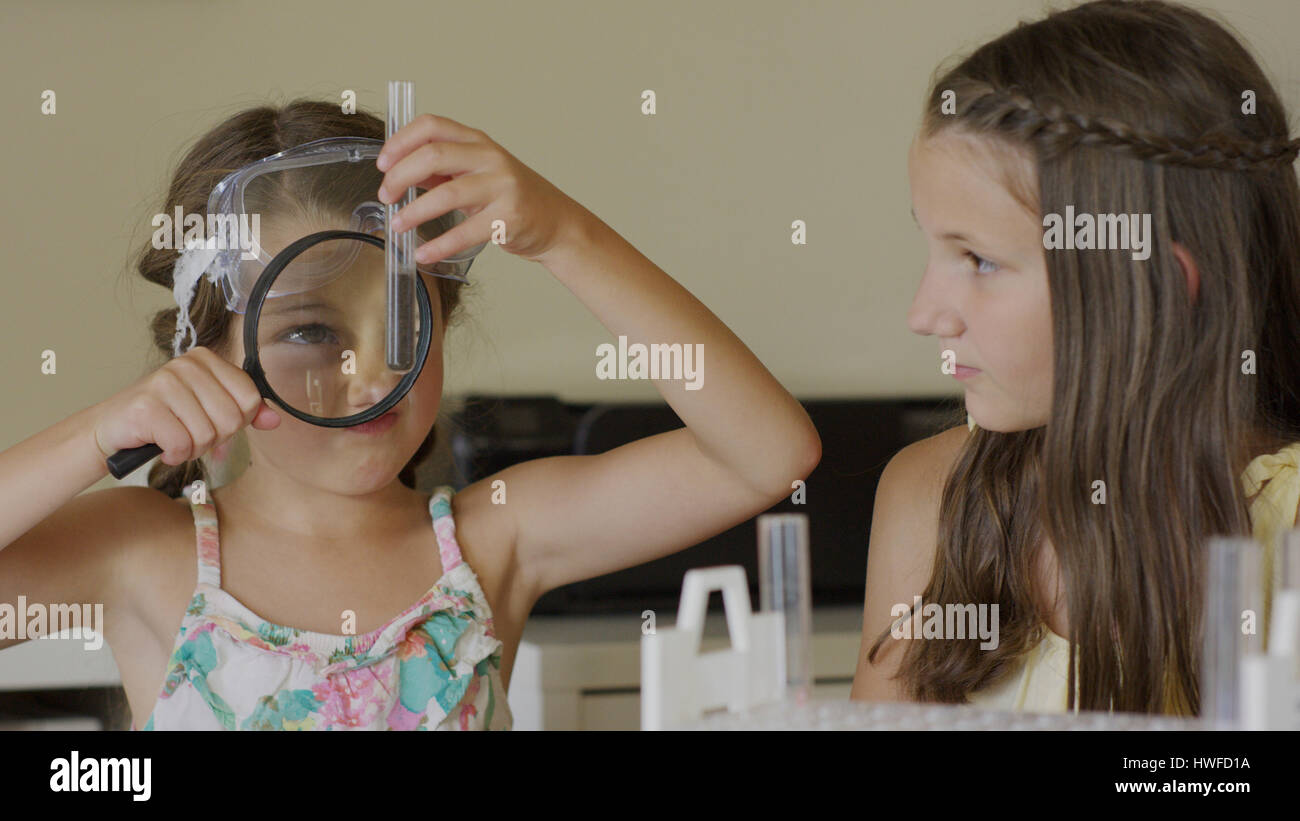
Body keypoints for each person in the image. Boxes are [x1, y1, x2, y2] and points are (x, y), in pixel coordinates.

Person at [0, 101, 820, 730]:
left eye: (401, 326)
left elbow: (768, 452)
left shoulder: (494, 537)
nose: (370, 379)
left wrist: (565, 235)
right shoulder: (141, 552)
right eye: (311, 331)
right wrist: (93, 436)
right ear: (208, 355)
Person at [851, 0, 1300, 714]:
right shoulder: (930, 499)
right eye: (934, 247)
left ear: (1152, 287)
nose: (924, 313)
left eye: (979, 260)